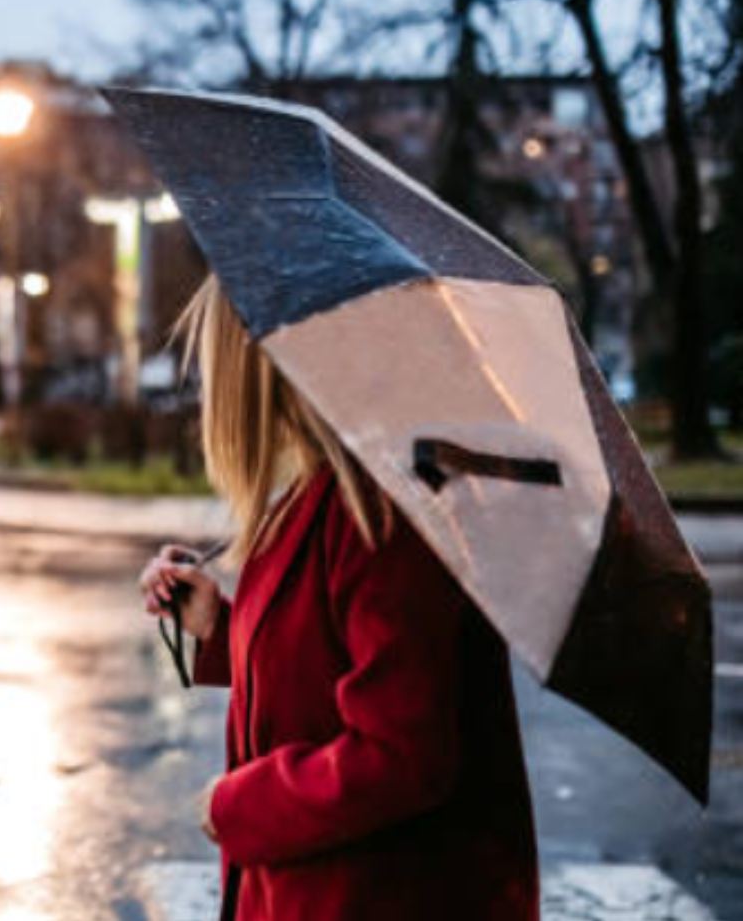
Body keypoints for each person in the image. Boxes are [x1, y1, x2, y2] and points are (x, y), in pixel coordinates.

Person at [140, 275, 539, 920]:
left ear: (261, 367)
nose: (209, 392)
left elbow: (401, 755)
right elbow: (325, 668)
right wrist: (218, 625)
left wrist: (236, 804)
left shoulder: (380, 513)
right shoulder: (322, 498)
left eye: (215, 364)